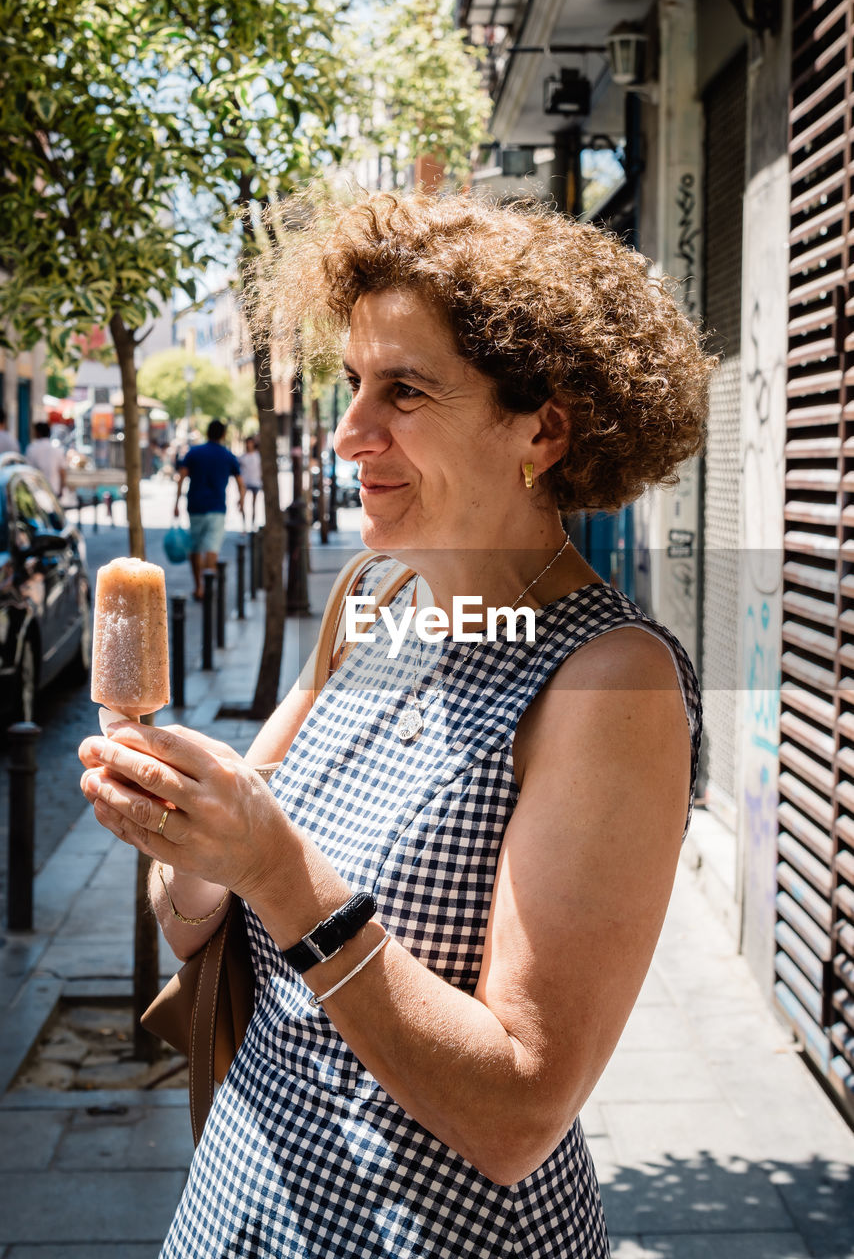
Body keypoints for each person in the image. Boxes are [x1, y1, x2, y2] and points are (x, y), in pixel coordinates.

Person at [79, 191, 710, 1259]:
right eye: (353, 381)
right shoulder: (372, 600)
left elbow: (518, 1112)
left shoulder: (611, 683)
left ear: (541, 428)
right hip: (235, 1208)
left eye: (403, 389)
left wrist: (274, 868)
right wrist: (185, 836)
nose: (347, 432)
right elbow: (194, 922)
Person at [174, 419, 245, 600]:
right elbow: (240, 482)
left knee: (195, 547)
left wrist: (175, 503)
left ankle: (198, 586)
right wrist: (241, 501)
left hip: (195, 505)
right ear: (223, 435)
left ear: (207, 433)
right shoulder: (228, 455)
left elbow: (181, 477)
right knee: (212, 547)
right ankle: (208, 582)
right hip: (217, 507)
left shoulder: (194, 453)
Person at [26, 421, 66, 496]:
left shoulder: (31, 449)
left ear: (38, 433)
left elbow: (28, 472)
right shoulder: (57, 450)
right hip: (54, 490)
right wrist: (61, 490)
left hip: (37, 491)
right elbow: (62, 472)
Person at [238, 434, 262, 529]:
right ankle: (244, 525)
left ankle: (252, 524)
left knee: (254, 505)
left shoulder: (258, 456)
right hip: (245, 483)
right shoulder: (242, 457)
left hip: (256, 482)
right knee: (243, 503)